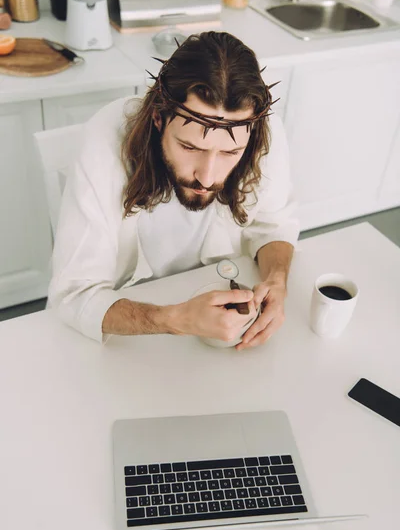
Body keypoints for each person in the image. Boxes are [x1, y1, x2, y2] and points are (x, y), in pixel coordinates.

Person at [48, 31, 299, 349]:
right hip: (121, 336)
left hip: (214, 317)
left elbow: (274, 224)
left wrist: (277, 280)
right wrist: (177, 320)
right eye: (189, 146)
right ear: (158, 117)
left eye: (229, 153)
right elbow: (74, 295)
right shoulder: (102, 142)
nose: (208, 177)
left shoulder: (258, 127)